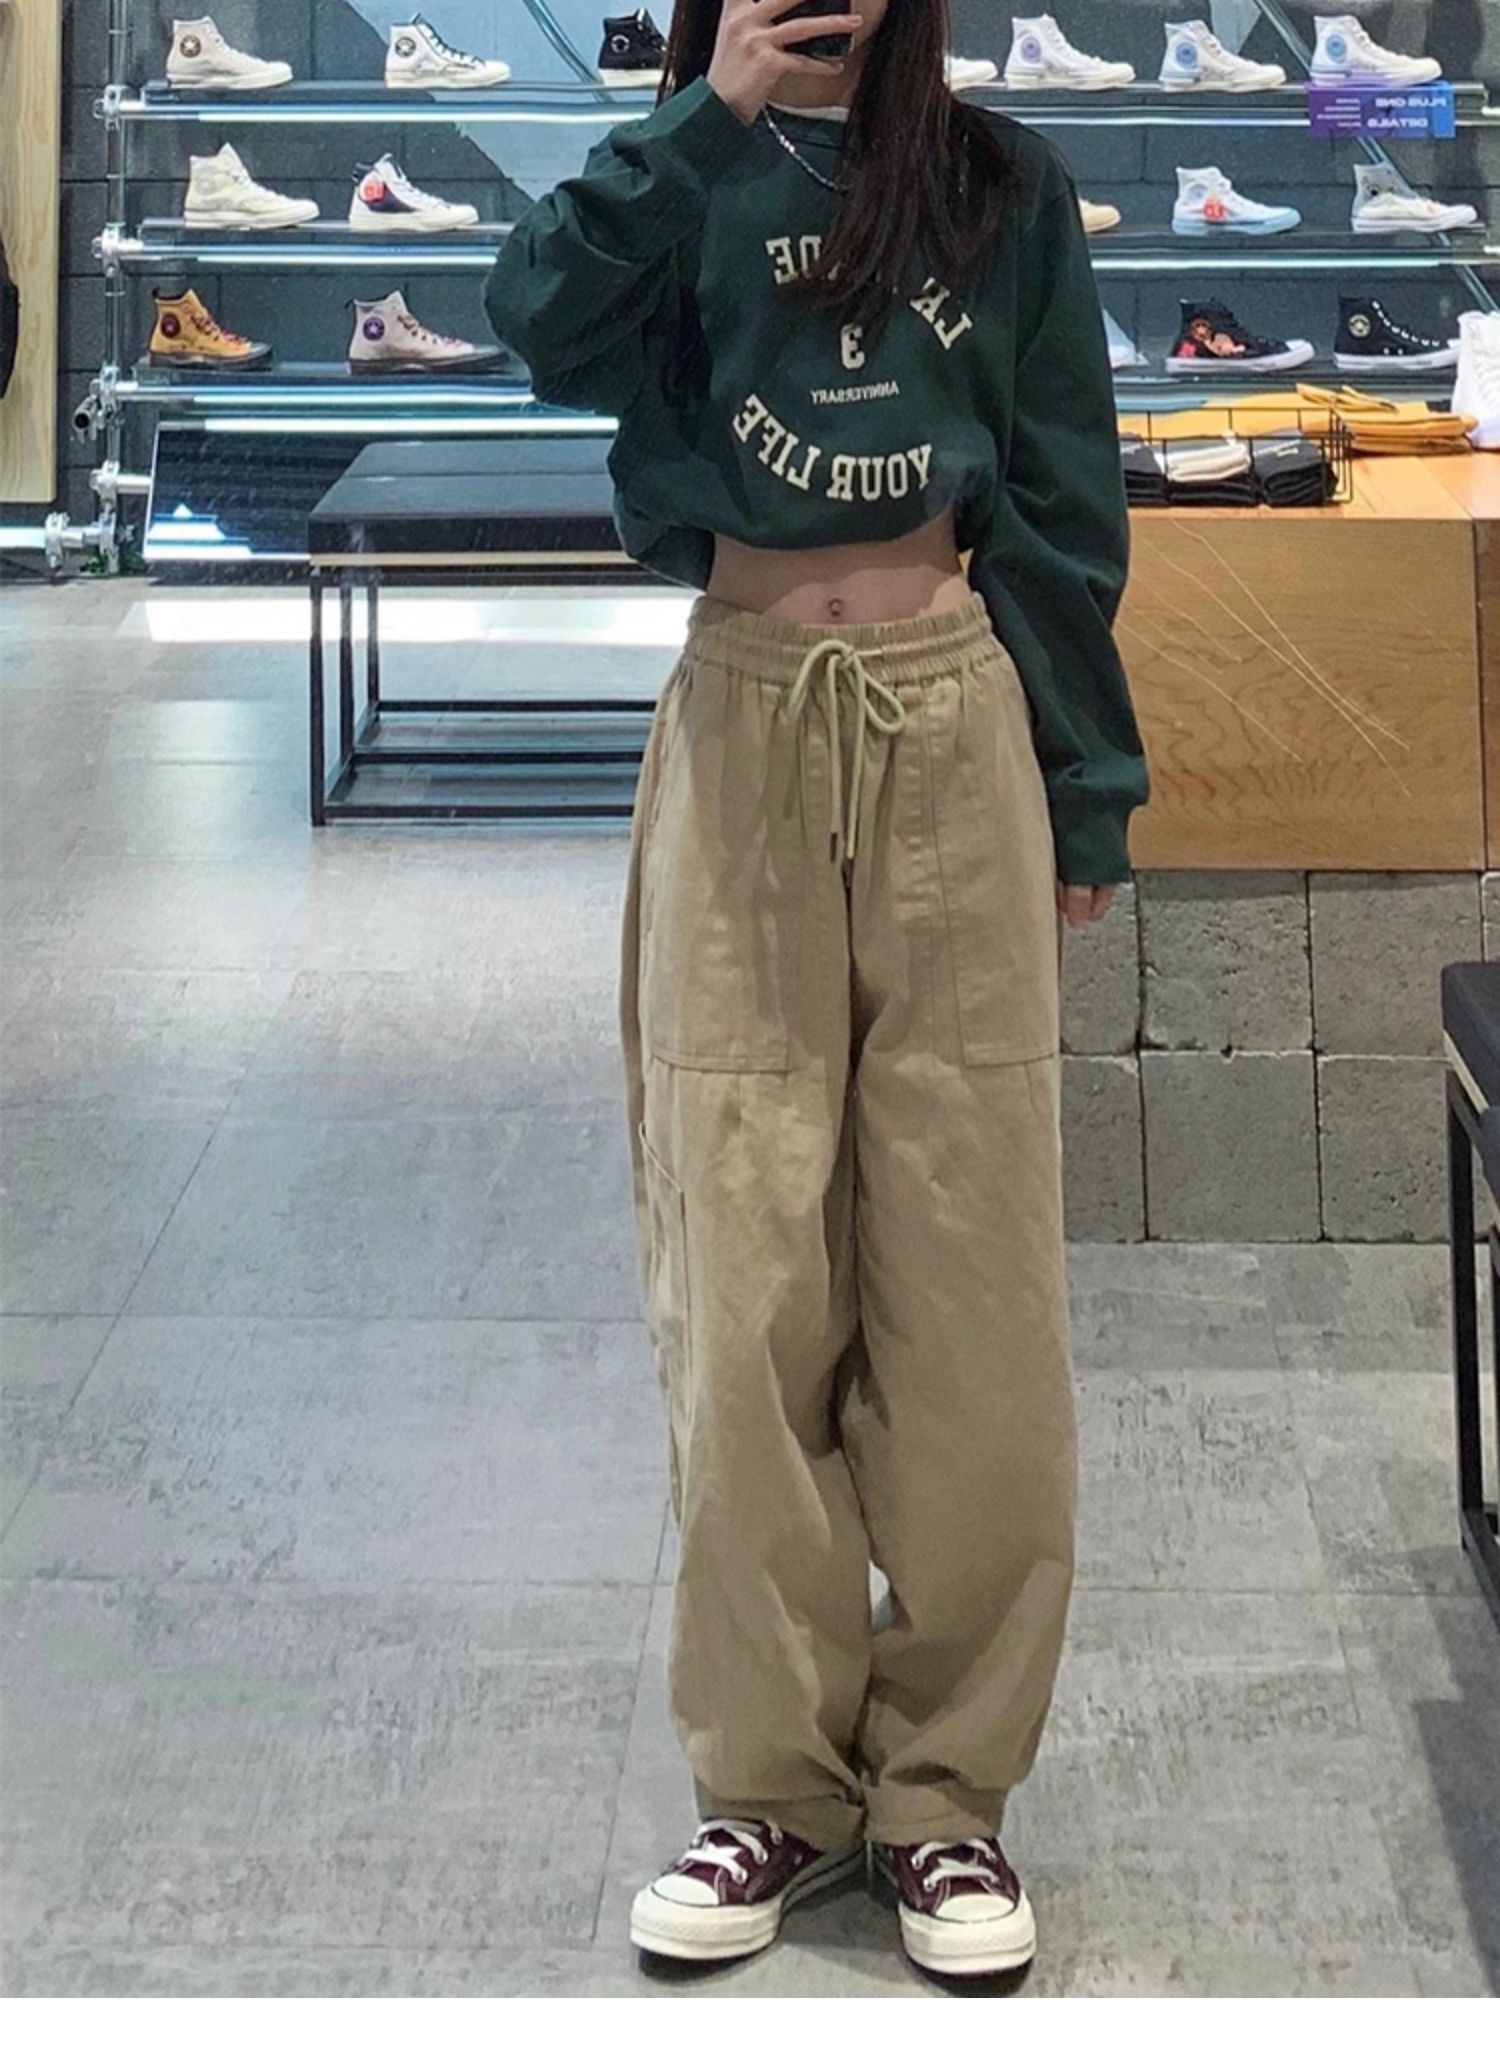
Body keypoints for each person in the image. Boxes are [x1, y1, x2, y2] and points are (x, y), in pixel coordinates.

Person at [486, 0, 1148, 1982]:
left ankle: (946, 1799)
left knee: (971, 1277)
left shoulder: (1000, 184)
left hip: (951, 718)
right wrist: (702, 120)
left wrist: (1087, 786)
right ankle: (773, 1786)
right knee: (739, 1264)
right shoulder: (676, 171)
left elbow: (1063, 491)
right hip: (745, 718)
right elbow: (535, 322)